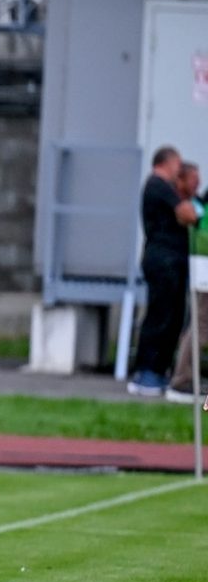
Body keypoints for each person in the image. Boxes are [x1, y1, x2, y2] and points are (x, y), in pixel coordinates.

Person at [128, 146, 197, 396]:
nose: (179, 169)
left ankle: (159, 370)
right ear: (166, 163)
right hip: (162, 261)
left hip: (173, 262)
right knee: (161, 316)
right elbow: (187, 214)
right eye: (177, 164)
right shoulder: (159, 185)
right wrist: (192, 207)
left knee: (175, 316)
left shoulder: (164, 188)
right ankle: (147, 371)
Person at [168, 162, 206, 403]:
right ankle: (182, 379)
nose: (197, 183)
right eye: (193, 179)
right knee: (201, 325)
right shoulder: (194, 206)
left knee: (200, 324)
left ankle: (184, 377)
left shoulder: (199, 203)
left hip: (201, 267)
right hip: (203, 268)